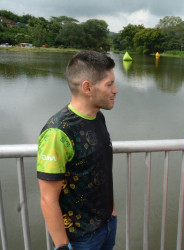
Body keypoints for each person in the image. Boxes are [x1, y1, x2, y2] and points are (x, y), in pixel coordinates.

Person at [37, 51, 119, 250]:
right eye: (109, 84)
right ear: (87, 88)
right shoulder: (58, 132)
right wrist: (62, 246)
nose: (115, 90)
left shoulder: (98, 117)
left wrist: (112, 214)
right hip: (81, 238)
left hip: (107, 224)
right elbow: (48, 199)